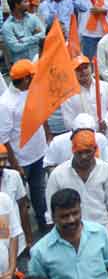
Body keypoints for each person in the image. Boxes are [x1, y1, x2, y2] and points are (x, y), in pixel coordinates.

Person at [44, 129, 108, 238]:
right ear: (73, 150)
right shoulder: (57, 175)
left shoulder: (106, 170)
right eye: (79, 152)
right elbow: (51, 214)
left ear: (95, 149)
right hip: (69, 234)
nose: (84, 156)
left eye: (87, 151)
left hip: (101, 231)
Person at [0, 60, 48, 230]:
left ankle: (43, 221)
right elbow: (4, 138)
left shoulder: (31, 91)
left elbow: (41, 115)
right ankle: (18, 234)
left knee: (39, 190)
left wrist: (47, 138)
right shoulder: (5, 104)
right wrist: (15, 164)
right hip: (21, 160)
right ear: (26, 79)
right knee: (18, 198)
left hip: (39, 153)